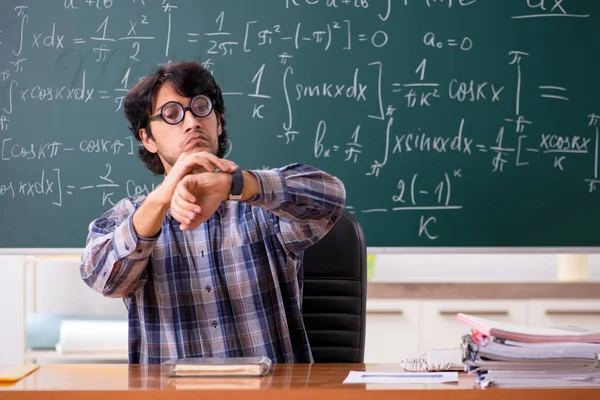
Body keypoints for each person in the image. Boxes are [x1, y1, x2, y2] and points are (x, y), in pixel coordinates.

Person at [80, 61, 346, 364]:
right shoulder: (132, 216)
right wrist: (162, 198)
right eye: (171, 114)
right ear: (148, 139)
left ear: (218, 124)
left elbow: (331, 197)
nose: (191, 121)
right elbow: (104, 280)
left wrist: (233, 184)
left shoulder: (261, 207)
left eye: (201, 107)